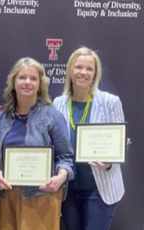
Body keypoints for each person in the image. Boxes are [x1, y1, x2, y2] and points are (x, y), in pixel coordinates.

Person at [0, 57, 74, 230]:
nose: (27, 82)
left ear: (40, 84)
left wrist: (61, 177)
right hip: (7, 196)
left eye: (33, 78)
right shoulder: (1, 118)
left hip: (42, 196)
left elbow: (65, 157)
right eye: (22, 77)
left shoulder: (52, 117)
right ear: (14, 82)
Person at [53, 47, 125, 230]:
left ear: (95, 73)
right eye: (78, 67)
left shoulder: (110, 102)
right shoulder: (58, 103)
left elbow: (119, 143)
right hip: (68, 188)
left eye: (89, 69)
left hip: (99, 188)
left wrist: (109, 162)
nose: (83, 73)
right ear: (70, 70)